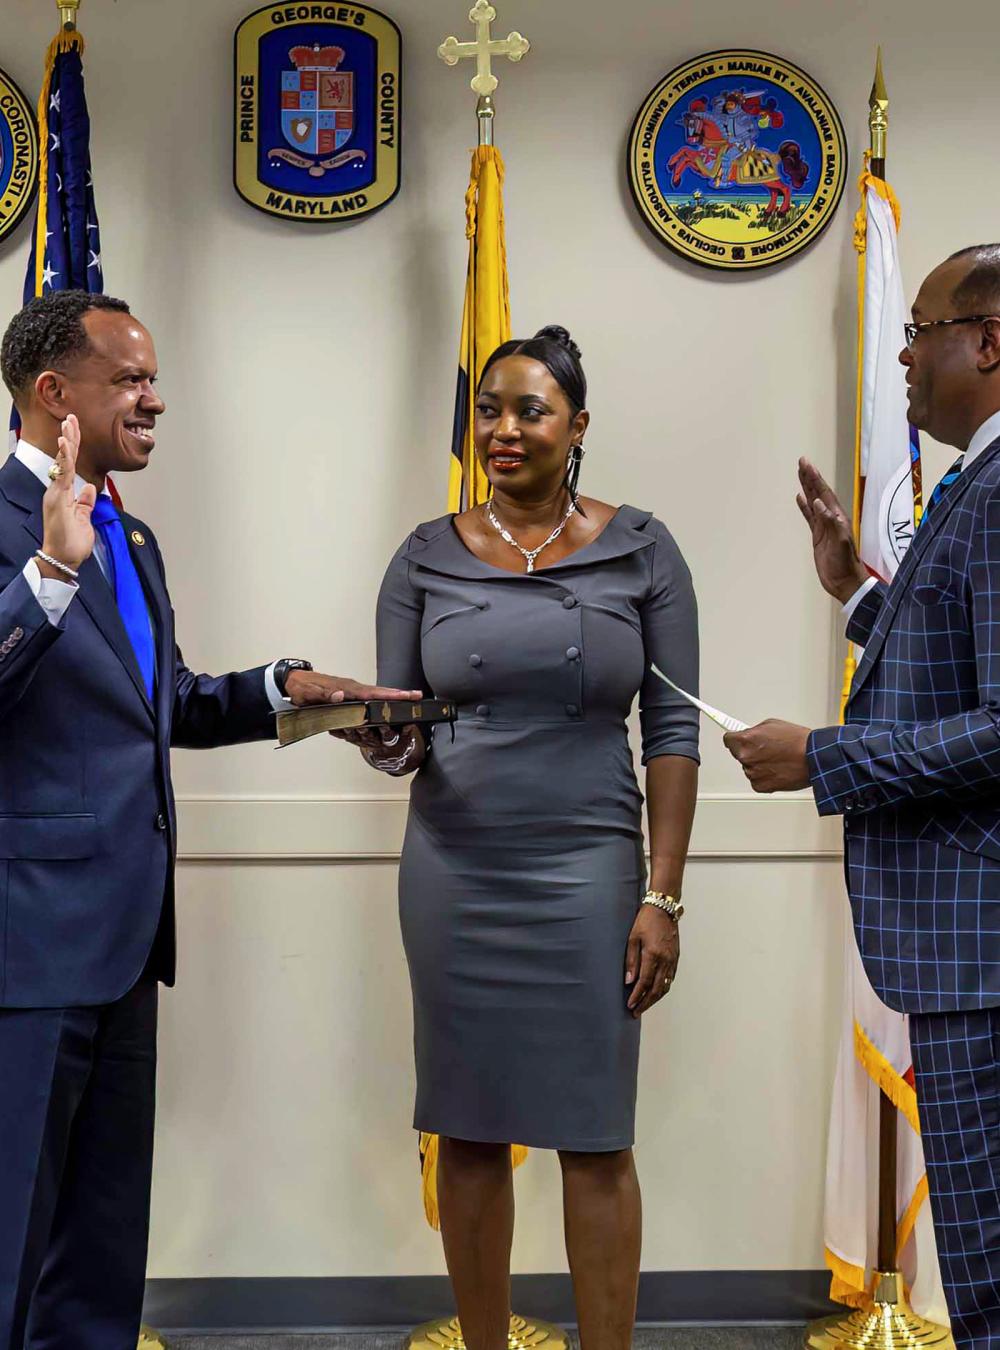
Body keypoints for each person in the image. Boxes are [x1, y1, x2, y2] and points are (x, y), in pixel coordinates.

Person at [0, 289, 419, 1350]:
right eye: (131, 381)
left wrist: (299, 695)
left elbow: (166, 703)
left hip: (129, 943)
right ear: (53, 394)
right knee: (7, 1246)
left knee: (98, 1258)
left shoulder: (130, 538)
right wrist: (47, 573)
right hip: (26, 951)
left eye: (152, 377)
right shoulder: (28, 531)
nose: (156, 400)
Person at [350, 325, 700, 1350]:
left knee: (595, 1137)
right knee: (466, 1127)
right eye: (488, 410)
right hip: (456, 866)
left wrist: (661, 895)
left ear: (576, 426)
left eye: (528, 410)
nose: (503, 429)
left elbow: (673, 731)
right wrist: (384, 744)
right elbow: (402, 724)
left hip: (592, 865)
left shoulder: (643, 548)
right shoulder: (421, 555)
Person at [724, 245, 1000, 1348]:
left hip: (980, 943)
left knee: (985, 1275)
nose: (900, 353)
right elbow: (942, 661)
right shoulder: (971, 480)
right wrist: (850, 587)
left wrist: (824, 759)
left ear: (986, 341)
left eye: (918, 329)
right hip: (959, 942)